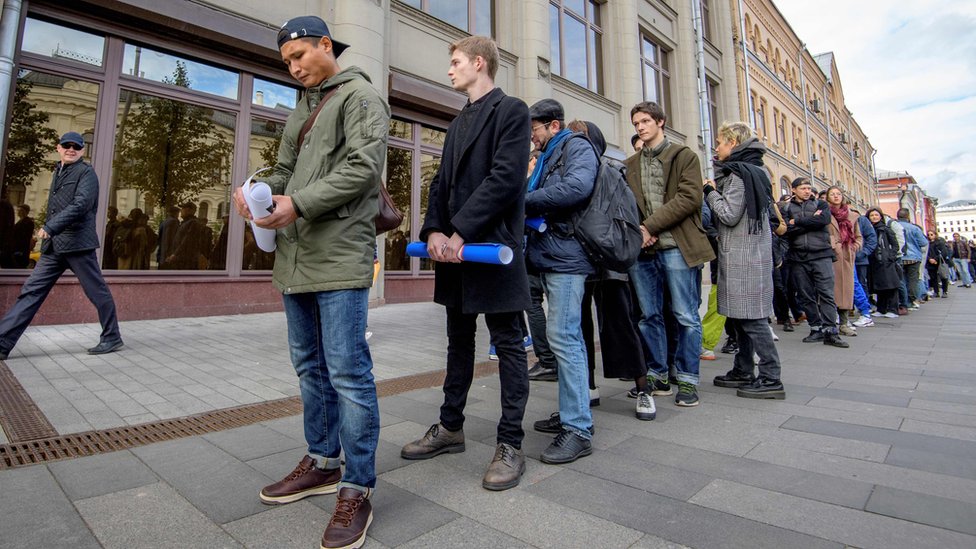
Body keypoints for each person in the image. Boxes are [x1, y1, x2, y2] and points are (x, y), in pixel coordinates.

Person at [231, 16, 388, 549]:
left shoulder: (361, 97)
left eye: (300, 55)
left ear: (327, 45)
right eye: (287, 61)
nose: (294, 66)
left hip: (339, 254)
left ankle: (358, 487)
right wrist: (257, 186)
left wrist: (296, 202)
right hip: (295, 258)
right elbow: (285, 167)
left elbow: (364, 170)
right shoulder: (303, 105)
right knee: (309, 367)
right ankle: (322, 462)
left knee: (347, 371)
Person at [399, 36, 533, 489]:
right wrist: (434, 231)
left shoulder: (512, 110)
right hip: (455, 252)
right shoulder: (458, 121)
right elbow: (440, 184)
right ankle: (450, 426)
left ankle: (510, 443)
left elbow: (505, 179)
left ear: (480, 63)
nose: (450, 70)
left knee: (508, 344)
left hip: (490, 249)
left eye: (456, 62)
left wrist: (461, 232)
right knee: (458, 341)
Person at [520, 98, 599, 462]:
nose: (532, 137)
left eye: (535, 129)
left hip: (568, 258)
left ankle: (578, 428)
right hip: (552, 255)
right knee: (563, 337)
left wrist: (523, 200)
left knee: (565, 338)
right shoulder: (552, 152)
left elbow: (576, 188)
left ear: (553, 125)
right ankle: (572, 414)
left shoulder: (575, 146)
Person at [0, 132, 123, 360]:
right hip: (54, 248)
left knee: (97, 292)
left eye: (76, 146)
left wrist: (51, 226)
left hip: (77, 245)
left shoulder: (87, 173)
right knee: (31, 292)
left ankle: (112, 337)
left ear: (82, 151)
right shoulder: (58, 171)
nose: (71, 149)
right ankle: (3, 343)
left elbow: (81, 204)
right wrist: (50, 231)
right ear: (58, 148)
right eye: (66, 145)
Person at [626, 101, 714, 407]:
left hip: (678, 246)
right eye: (636, 123)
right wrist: (640, 231)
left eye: (646, 121)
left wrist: (648, 226)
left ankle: (687, 380)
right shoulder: (630, 164)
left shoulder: (684, 156)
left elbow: (689, 198)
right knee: (649, 317)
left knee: (686, 316)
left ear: (661, 122)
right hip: (644, 251)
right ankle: (658, 375)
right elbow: (628, 206)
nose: (640, 127)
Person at [565, 119, 654, 421]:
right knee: (579, 327)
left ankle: (643, 388)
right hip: (576, 259)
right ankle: (587, 385)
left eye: (580, 137)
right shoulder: (567, 169)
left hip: (608, 258)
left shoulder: (612, 171)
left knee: (621, 323)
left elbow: (628, 213)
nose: (574, 143)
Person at [704, 122, 784, 399]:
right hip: (748, 253)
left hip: (744, 256)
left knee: (752, 319)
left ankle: (771, 377)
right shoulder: (754, 170)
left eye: (720, 142)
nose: (716, 147)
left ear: (733, 143)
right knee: (741, 317)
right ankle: (743, 369)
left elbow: (728, 215)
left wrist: (710, 192)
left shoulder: (740, 175)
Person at [780, 177, 848, 348]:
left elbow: (823, 221)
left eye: (809, 188)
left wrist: (799, 221)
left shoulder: (821, 204)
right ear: (793, 190)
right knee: (805, 295)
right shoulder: (787, 208)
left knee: (826, 294)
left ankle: (830, 331)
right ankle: (815, 328)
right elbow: (786, 229)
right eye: (803, 188)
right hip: (798, 257)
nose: (807, 191)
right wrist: (810, 221)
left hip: (821, 255)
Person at [824, 186, 863, 337]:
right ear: (827, 197)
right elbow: (821, 232)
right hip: (831, 255)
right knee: (830, 289)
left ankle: (844, 323)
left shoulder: (852, 215)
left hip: (847, 255)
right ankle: (830, 322)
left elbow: (859, 236)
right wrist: (833, 243)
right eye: (832, 194)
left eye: (838, 194)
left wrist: (855, 246)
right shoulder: (825, 213)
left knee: (846, 289)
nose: (836, 196)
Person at [895, 208, 927, 311]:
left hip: (899, 256)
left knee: (902, 279)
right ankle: (911, 300)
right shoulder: (914, 228)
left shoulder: (894, 227)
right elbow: (923, 242)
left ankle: (903, 301)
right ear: (907, 216)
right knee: (913, 279)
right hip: (914, 257)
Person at [926, 229, 951, 298]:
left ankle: (945, 291)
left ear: (935, 235)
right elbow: (925, 253)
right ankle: (936, 292)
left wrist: (935, 259)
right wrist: (929, 259)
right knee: (933, 277)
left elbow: (943, 252)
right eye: (928, 235)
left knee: (943, 277)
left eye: (931, 234)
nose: (930, 236)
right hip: (930, 262)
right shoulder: (927, 243)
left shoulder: (940, 242)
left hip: (940, 262)